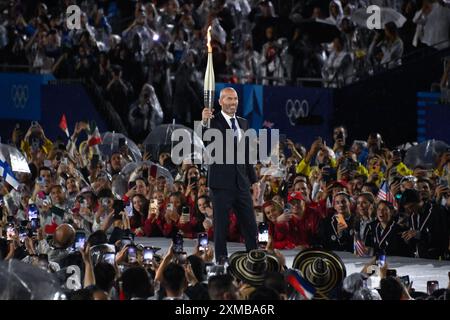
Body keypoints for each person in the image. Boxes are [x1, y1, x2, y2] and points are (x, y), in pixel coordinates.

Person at [201, 87, 259, 262]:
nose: (232, 102)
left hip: (241, 184)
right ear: (220, 102)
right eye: (228, 99)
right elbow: (205, 139)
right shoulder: (213, 121)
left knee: (250, 225)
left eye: (235, 99)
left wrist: (254, 181)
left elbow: (247, 155)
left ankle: (254, 258)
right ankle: (221, 260)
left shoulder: (243, 123)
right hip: (220, 185)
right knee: (221, 227)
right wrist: (204, 122)